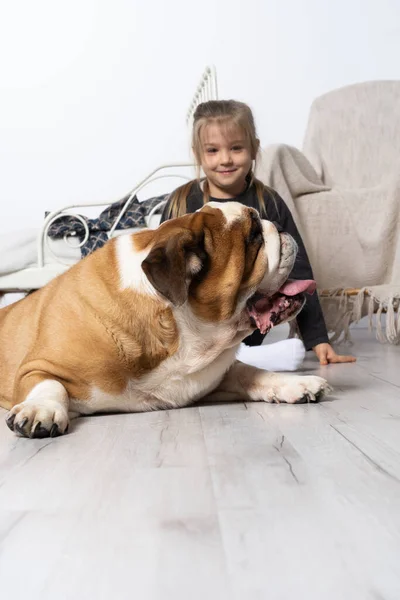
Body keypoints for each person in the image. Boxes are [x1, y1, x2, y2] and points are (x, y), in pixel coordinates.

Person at [160, 100, 355, 370]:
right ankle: (210, 362)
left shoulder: (268, 204)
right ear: (198, 154)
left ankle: (238, 359)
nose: (225, 159)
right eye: (213, 150)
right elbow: (164, 277)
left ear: (253, 148)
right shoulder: (181, 203)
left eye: (236, 148)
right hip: (195, 327)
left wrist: (318, 340)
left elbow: (299, 273)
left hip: (245, 326)